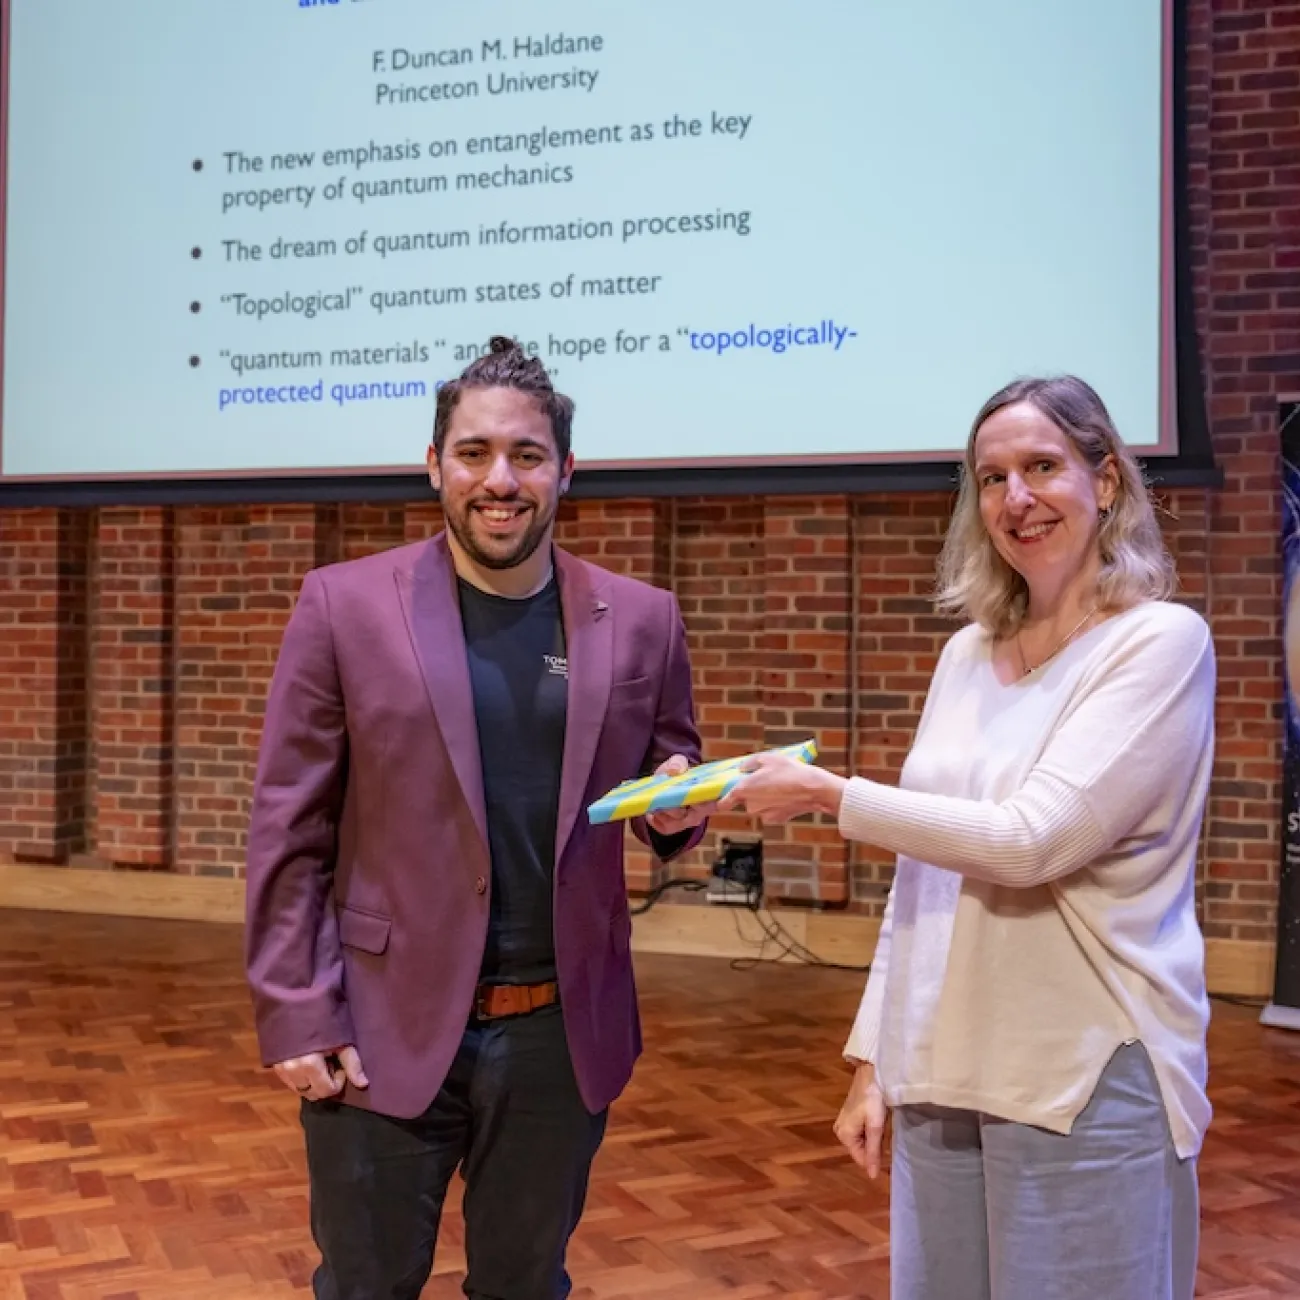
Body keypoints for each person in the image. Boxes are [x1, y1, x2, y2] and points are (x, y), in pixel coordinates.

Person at [718, 375, 1214, 1300]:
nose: (1017, 498)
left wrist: (831, 796)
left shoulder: (1158, 644)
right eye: (992, 478)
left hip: (1085, 1066)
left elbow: (1032, 843)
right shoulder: (967, 652)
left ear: (1106, 481)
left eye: (1043, 467)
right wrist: (877, 1060)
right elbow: (925, 877)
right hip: (942, 1067)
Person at [244, 336, 707, 1300]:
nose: (501, 480)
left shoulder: (644, 618)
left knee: (526, 1285)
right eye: (474, 453)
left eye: (527, 455)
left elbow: (669, 783)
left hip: (557, 1036)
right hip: (380, 1025)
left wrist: (677, 811)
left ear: (565, 470)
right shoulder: (343, 606)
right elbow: (290, 827)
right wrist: (295, 1008)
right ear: (434, 465)